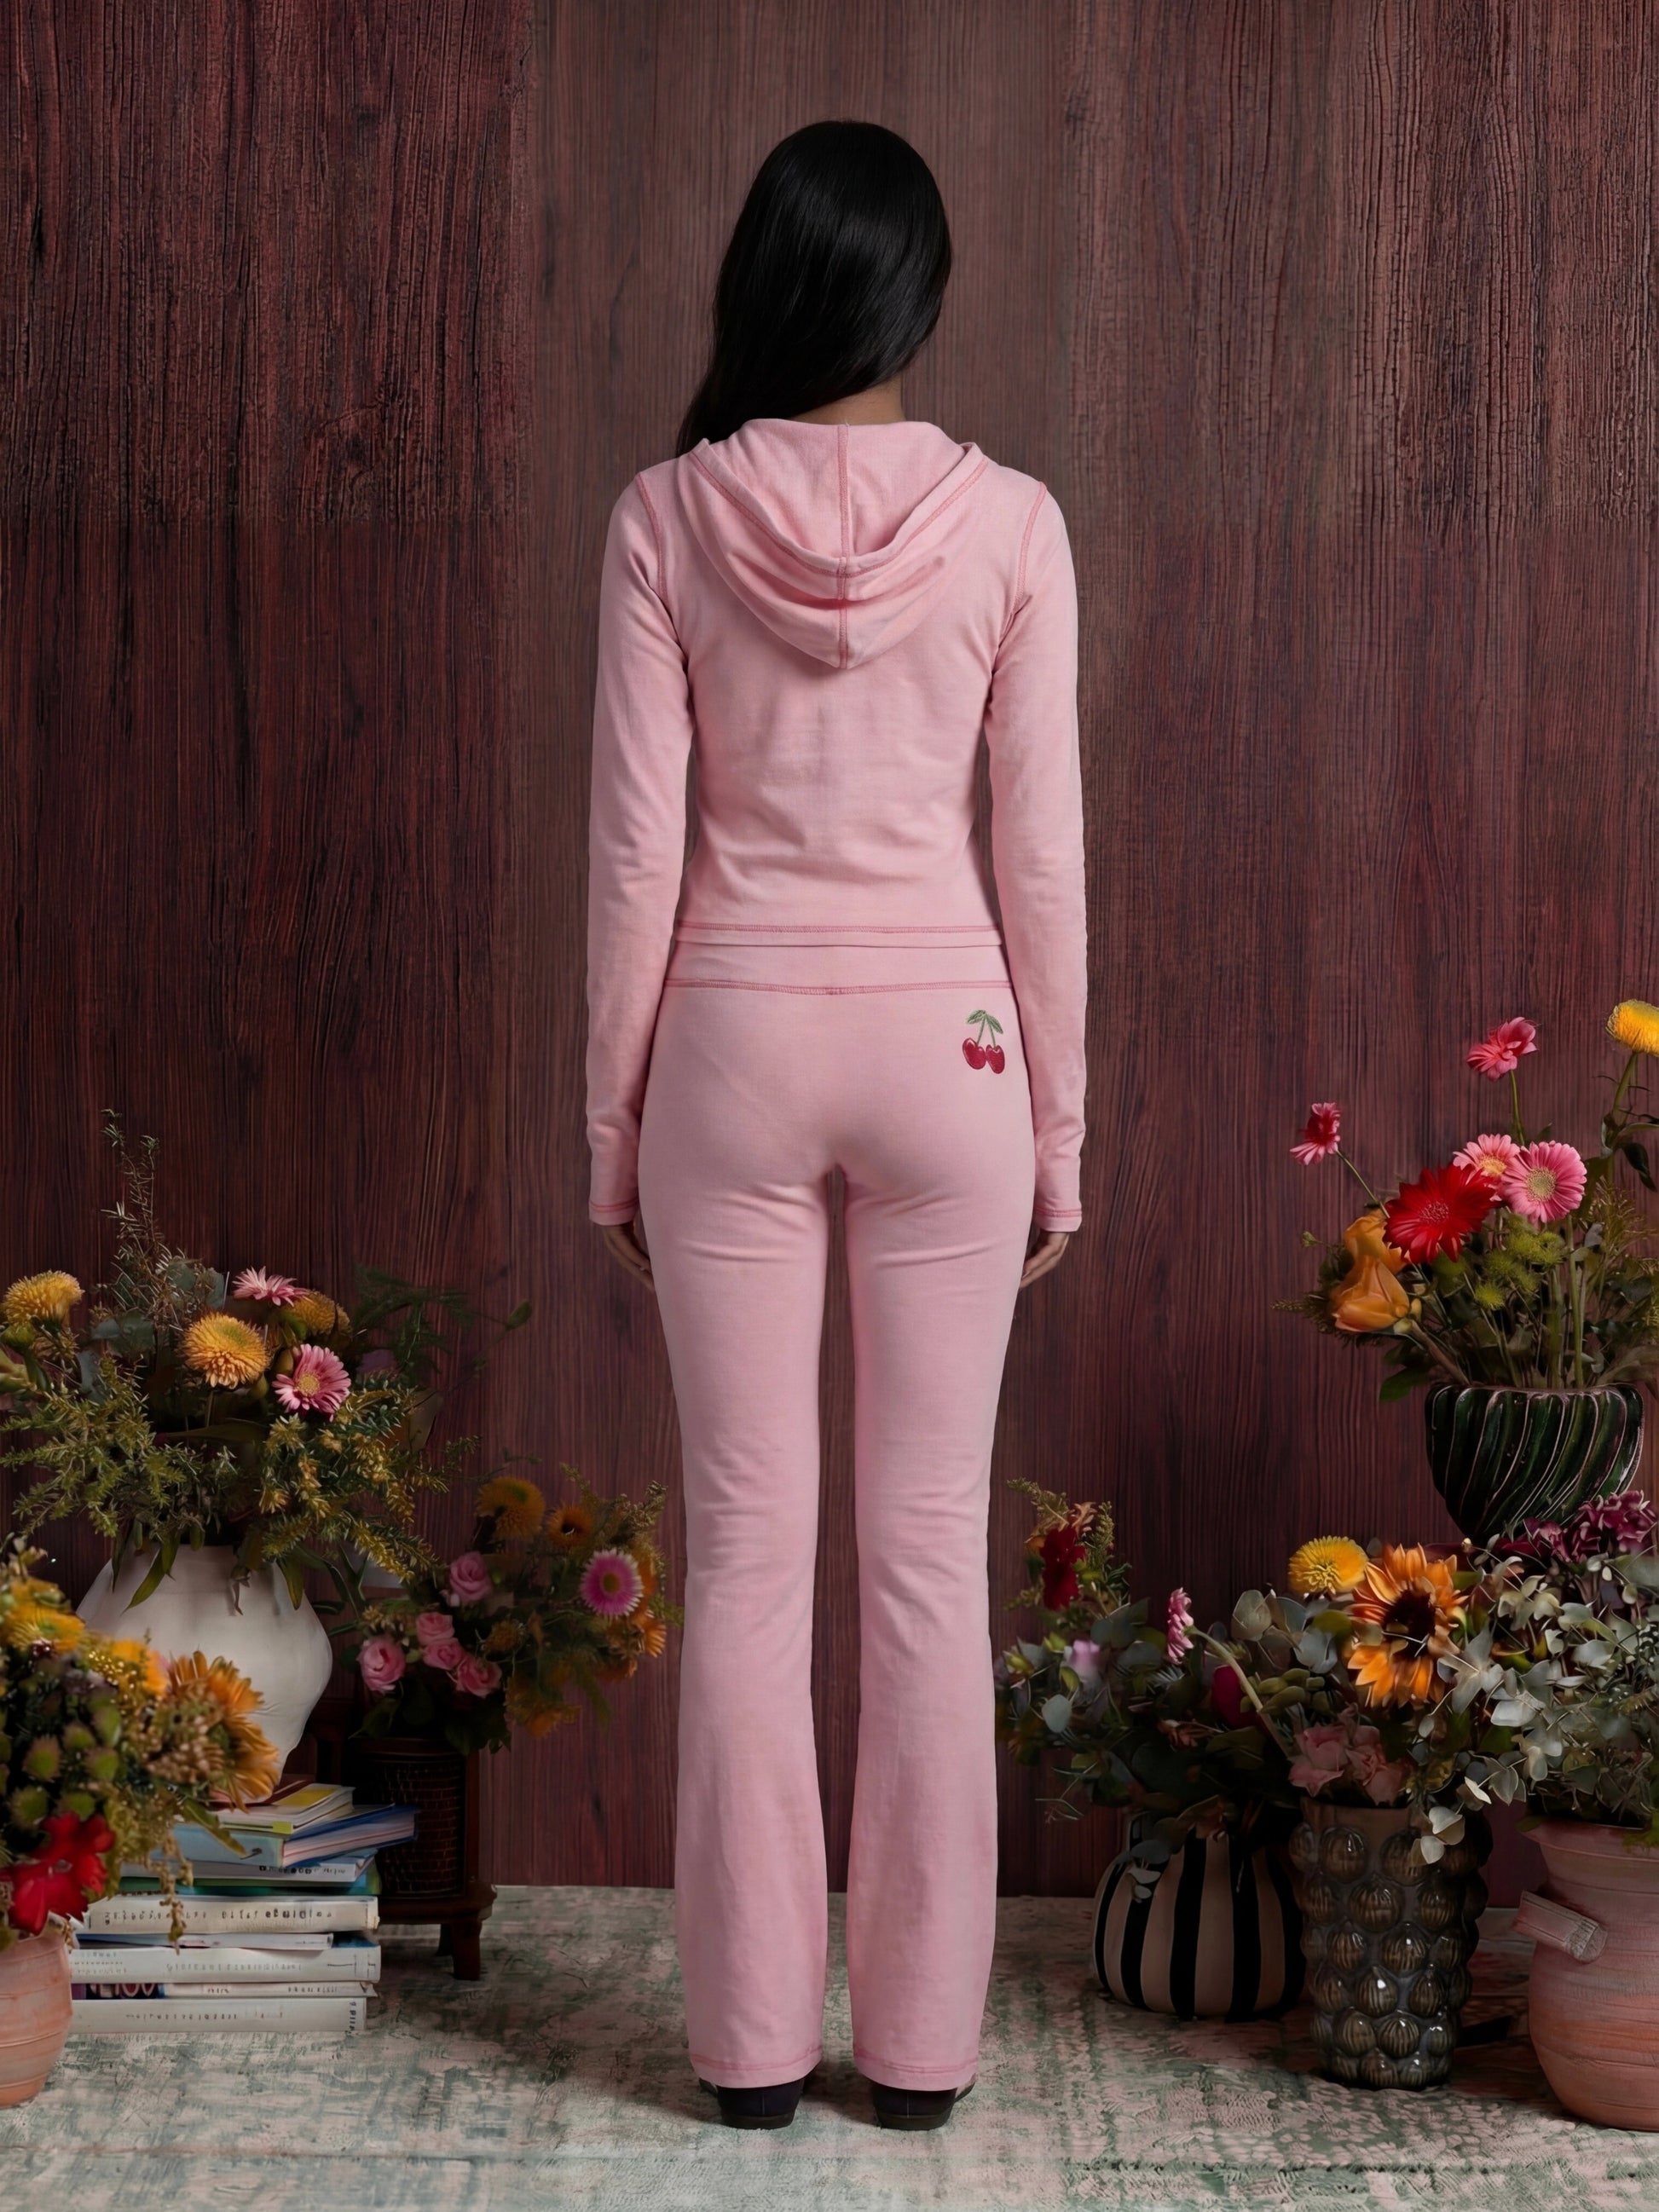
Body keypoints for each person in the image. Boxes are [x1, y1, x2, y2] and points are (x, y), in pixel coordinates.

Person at [584, 118, 1085, 2132]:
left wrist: (611, 1129)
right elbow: (1038, 857)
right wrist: (1060, 1129)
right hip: (949, 1046)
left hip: (726, 1046)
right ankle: (923, 2051)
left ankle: (745, 2054)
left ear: (766, 282)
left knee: (742, 1554)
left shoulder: (665, 513)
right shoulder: (1013, 522)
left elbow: (636, 855)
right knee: (927, 1561)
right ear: (918, 297)